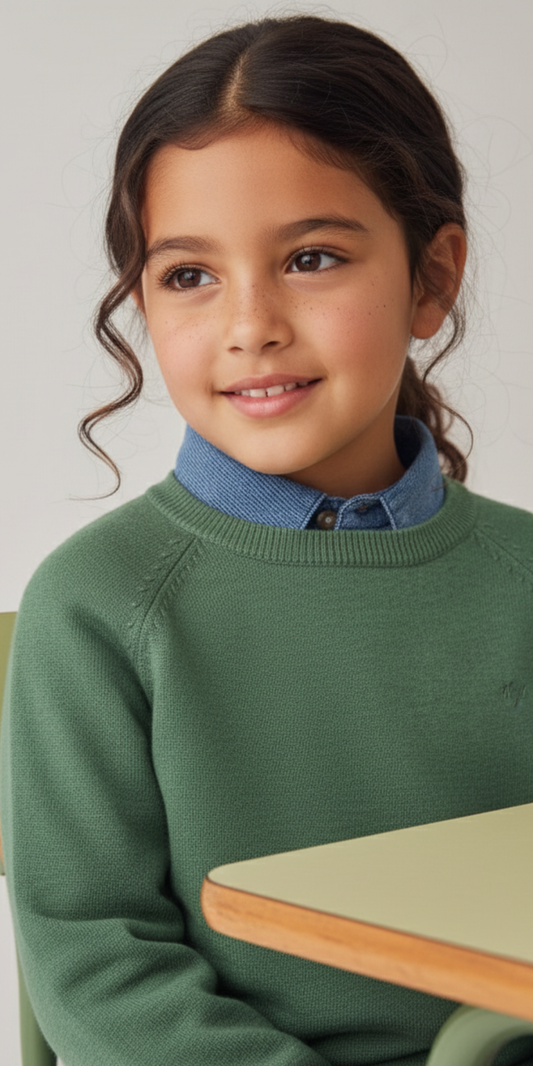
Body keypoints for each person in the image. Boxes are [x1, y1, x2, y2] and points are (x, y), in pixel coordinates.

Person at [2, 13, 533, 1066]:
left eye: (311, 257)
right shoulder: (101, 603)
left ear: (431, 279)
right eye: (188, 275)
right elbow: (94, 961)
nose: (250, 324)